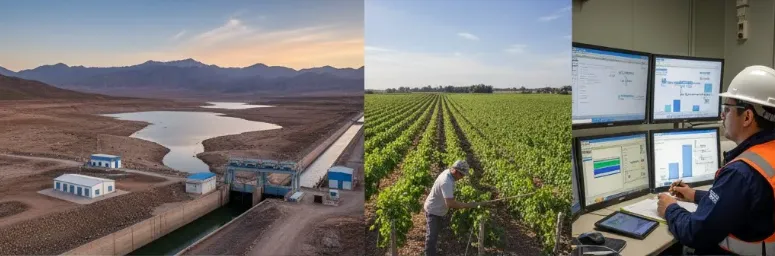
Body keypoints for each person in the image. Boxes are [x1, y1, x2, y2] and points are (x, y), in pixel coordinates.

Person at [657, 65, 775, 255]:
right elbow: (737, 203)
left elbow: (695, 232)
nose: (722, 115)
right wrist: (694, 194)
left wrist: (669, 208)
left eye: (727, 109)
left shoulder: (741, 172)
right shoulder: (768, 154)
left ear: (747, 117)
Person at [423, 159, 483, 256]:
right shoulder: (446, 181)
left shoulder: (449, 173)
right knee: (431, 237)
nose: (462, 177)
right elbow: (450, 204)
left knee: (436, 234)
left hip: (439, 209)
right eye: (462, 175)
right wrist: (467, 205)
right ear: (455, 171)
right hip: (433, 211)